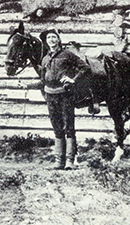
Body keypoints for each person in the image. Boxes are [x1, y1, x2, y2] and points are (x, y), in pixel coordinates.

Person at [39, 29, 91, 170]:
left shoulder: (67, 54)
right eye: (49, 37)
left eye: (54, 37)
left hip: (65, 94)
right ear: (46, 41)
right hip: (50, 95)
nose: (51, 40)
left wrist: (73, 80)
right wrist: (27, 85)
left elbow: (85, 68)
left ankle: (70, 160)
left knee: (68, 125)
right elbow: (43, 80)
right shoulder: (45, 59)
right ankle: (58, 161)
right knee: (56, 126)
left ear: (58, 39)